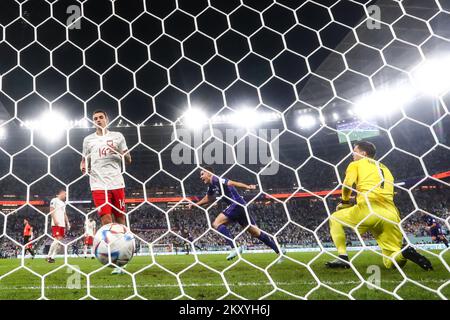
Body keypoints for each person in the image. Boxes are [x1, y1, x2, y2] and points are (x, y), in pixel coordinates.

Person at [326, 141, 432, 270]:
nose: (352, 154)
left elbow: (347, 184)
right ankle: (405, 253)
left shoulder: (356, 164)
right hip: (391, 214)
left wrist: (345, 202)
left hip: (368, 209)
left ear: (364, 153)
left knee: (334, 218)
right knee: (391, 261)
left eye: (355, 151)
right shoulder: (386, 169)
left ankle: (343, 257)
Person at [189, 167, 285, 261]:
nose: (201, 177)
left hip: (236, 204)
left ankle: (234, 247)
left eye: (202, 174)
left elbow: (230, 182)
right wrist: (195, 205)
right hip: (241, 206)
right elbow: (208, 198)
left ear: (209, 173)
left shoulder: (216, 179)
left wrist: (247, 186)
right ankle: (279, 250)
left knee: (216, 223)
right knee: (255, 232)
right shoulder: (211, 185)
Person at [80, 110, 132, 274]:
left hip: (117, 182)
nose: (98, 120)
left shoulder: (117, 136)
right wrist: (83, 165)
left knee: (120, 221)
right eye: (95, 118)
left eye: (101, 117)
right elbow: (84, 160)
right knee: (107, 221)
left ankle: (123, 260)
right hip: (98, 184)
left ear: (107, 119)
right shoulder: (88, 140)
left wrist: (117, 152)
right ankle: (114, 259)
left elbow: (128, 159)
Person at [47, 189, 70, 263]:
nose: (66, 196)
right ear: (61, 193)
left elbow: (64, 214)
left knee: (59, 241)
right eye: (65, 194)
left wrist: (67, 223)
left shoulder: (63, 203)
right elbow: (51, 210)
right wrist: (55, 220)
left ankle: (52, 257)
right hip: (56, 223)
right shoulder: (54, 200)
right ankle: (49, 256)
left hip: (62, 224)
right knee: (57, 239)